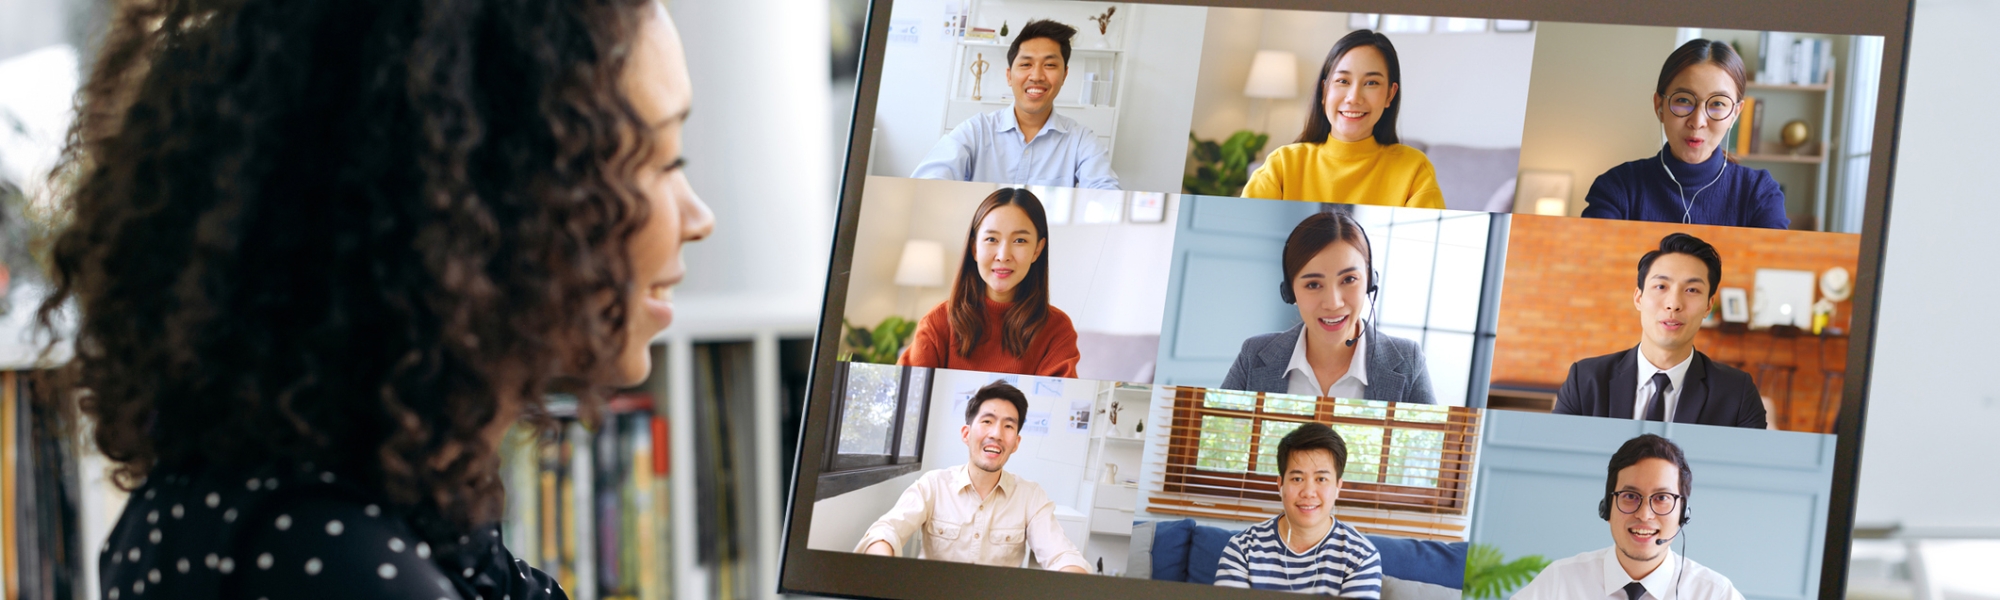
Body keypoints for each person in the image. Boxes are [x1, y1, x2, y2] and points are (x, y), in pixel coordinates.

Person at [42, 0, 713, 598]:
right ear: (485, 195)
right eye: (660, 160)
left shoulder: (351, 498)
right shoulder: (325, 556)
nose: (698, 217)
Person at [856, 380, 1089, 572]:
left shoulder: (1030, 495)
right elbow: (887, 530)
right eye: (987, 421)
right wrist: (882, 566)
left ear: (1016, 443)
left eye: (1008, 426)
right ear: (966, 434)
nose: (996, 434)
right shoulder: (934, 484)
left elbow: (1062, 555)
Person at [1553, 233, 1766, 428]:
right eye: (1661, 286)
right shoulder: (1585, 380)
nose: (1673, 304)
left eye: (1692, 290)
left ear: (1708, 307)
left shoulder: (1737, 393)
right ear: (1638, 298)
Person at [1221, 211, 1435, 404]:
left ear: (1370, 282)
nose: (1333, 303)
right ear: (1290, 291)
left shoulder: (1408, 360)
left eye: (1349, 279)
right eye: (1313, 284)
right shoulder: (1254, 354)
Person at [1581, 39, 1789, 229]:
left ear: (1734, 114)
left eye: (1717, 104)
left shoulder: (1759, 192)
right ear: (1659, 105)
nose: (1697, 122)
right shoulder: (1618, 186)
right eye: (1683, 100)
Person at [1514, 434, 1746, 600]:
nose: (1644, 514)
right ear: (1607, 509)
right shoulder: (1559, 582)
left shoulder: (1715, 593)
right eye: (1630, 496)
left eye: (1662, 498)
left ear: (1682, 515)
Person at [1242, 30, 1443, 209]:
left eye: (1371, 82)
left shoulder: (1415, 170)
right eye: (1343, 81)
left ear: (1390, 94)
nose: (1354, 97)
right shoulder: (1282, 164)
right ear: (1324, 90)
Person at [911, 20, 1120, 190]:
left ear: (1064, 75)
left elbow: (1106, 194)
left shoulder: (1082, 141)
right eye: (1026, 64)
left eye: (1049, 65)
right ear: (1009, 75)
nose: (1037, 76)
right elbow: (927, 183)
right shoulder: (976, 131)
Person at [900, 188, 1081, 377]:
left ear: (1037, 249)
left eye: (1020, 240)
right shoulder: (937, 323)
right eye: (991, 239)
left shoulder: (1057, 330)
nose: (1003, 256)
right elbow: (907, 395)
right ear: (974, 248)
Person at [1214, 423, 1382, 597]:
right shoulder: (1242, 548)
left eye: (1321, 479)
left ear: (1338, 487)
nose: (1308, 492)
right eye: (1297, 478)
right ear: (1280, 484)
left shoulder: (1362, 556)